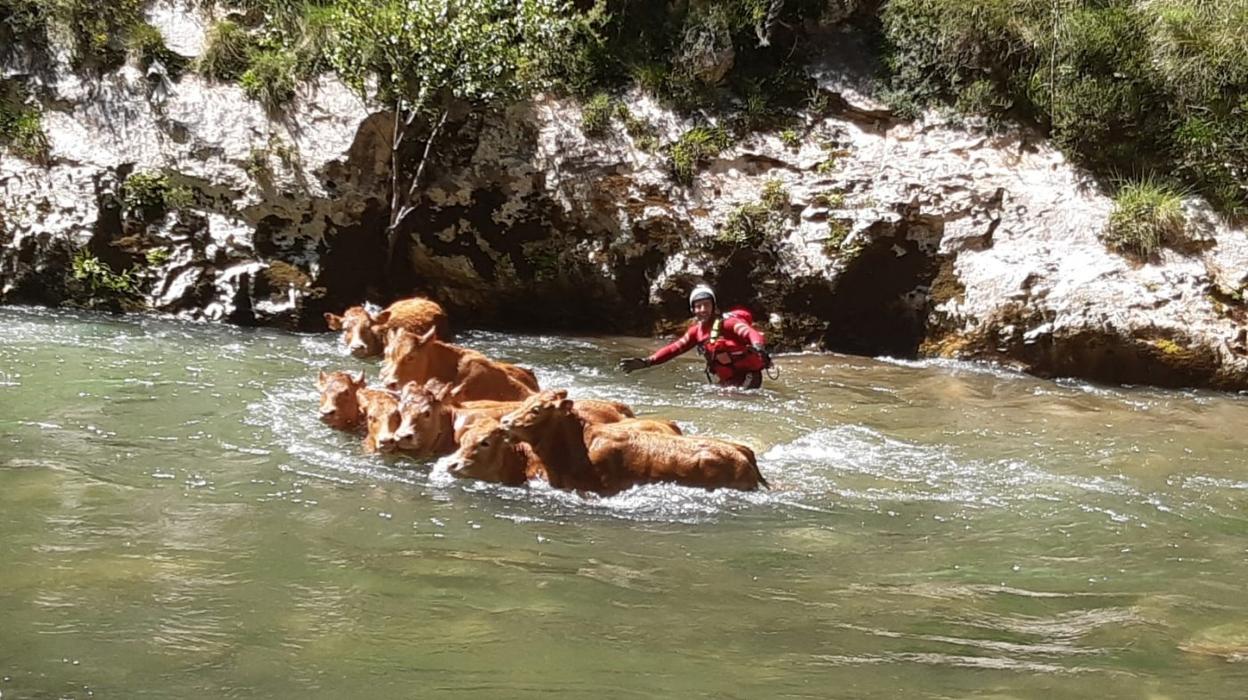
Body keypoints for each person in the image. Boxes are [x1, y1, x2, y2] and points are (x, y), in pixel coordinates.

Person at [618, 284, 772, 389]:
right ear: (693, 310)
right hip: (728, 379)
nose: (703, 309)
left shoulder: (728, 323)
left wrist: (758, 346)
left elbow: (749, 333)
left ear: (714, 307)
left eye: (707, 305)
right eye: (698, 306)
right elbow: (674, 349)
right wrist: (647, 362)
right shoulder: (696, 332)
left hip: (749, 376)